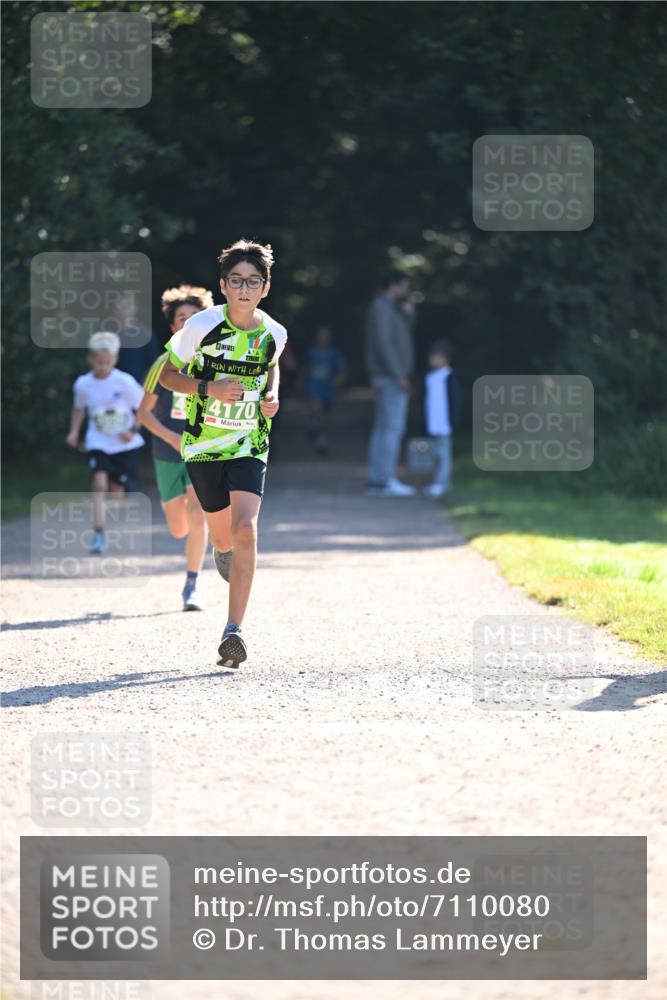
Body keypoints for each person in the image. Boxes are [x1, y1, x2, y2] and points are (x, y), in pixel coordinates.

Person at [158, 238, 287, 668]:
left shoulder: (275, 332)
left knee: (246, 528)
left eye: (253, 281)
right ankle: (221, 548)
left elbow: (272, 365)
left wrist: (271, 395)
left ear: (265, 287)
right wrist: (207, 388)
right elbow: (168, 376)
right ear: (224, 285)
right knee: (223, 536)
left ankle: (234, 630)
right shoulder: (200, 327)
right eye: (237, 281)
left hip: (251, 441)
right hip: (204, 446)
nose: (245, 289)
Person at [138, 285, 214, 611]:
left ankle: (192, 585)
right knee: (178, 527)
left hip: (202, 449)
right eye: (181, 318)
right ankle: (189, 552)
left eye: (194, 317)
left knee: (199, 514)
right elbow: (142, 413)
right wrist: (171, 438)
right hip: (168, 450)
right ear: (173, 327)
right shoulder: (162, 364)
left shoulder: (214, 361)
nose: (188, 323)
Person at [65, 331, 144, 554]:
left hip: (124, 445)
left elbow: (144, 408)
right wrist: (73, 432)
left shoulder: (125, 382)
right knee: (99, 485)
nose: (103, 366)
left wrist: (132, 429)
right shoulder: (83, 384)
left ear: (115, 361)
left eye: (107, 362)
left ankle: (107, 521)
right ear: (90, 359)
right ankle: (98, 533)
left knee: (116, 490)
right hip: (97, 441)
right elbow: (79, 409)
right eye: (98, 362)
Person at [364, 270, 417, 496]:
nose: (406, 291)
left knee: (384, 428)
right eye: (404, 286)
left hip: (389, 377)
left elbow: (399, 337)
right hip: (390, 378)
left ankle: (379, 480)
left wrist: (408, 316)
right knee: (391, 428)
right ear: (393, 285)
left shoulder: (390, 309)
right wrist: (399, 375)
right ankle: (384, 480)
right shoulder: (382, 308)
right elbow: (385, 345)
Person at [423, 339, 463, 497]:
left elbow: (455, 401)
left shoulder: (449, 377)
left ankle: (443, 482)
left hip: (444, 424)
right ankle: (438, 481)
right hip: (432, 423)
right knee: (434, 454)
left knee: (444, 454)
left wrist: (454, 420)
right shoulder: (430, 378)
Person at [305, 325, 346, 456]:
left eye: (326, 337)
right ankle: (315, 430)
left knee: (325, 416)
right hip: (314, 388)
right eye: (321, 336)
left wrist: (338, 381)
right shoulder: (311, 352)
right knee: (317, 410)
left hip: (327, 389)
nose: (323, 339)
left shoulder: (334, 353)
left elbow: (341, 370)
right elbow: (305, 369)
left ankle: (321, 438)